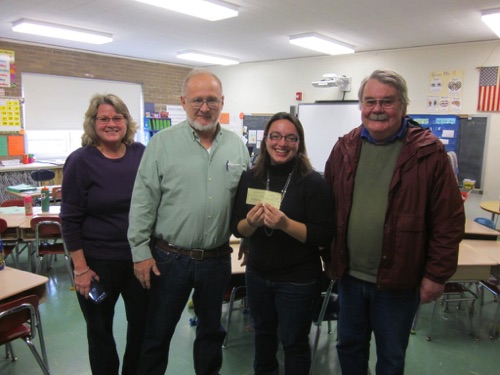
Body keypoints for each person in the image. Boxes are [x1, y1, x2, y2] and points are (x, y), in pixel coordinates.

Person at [324, 69, 465, 375]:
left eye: (387, 102)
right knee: (349, 347)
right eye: (370, 101)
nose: (377, 109)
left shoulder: (429, 153)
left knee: (390, 356)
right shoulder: (344, 148)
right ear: (360, 105)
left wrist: (436, 274)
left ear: (403, 105)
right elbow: (328, 206)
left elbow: (448, 220)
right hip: (350, 276)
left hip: (399, 281)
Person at [128, 68, 250, 375]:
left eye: (211, 100)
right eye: (197, 100)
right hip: (169, 259)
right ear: (184, 102)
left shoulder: (237, 147)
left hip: (217, 258)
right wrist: (140, 252)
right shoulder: (162, 144)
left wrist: (249, 239)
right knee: (157, 334)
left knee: (211, 333)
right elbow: (143, 201)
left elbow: (244, 203)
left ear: (222, 101)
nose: (204, 107)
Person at [230, 112, 335, 375]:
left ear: (299, 143)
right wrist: (252, 224)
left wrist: (285, 224)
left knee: (294, 344)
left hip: (296, 280)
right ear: (265, 140)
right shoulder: (252, 176)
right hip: (257, 274)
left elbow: (322, 235)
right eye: (275, 136)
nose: (282, 143)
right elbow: (237, 227)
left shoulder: (313, 182)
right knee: (263, 339)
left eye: (290, 138)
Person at [60, 93, 148, 375]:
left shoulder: (140, 154)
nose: (111, 124)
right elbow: (70, 218)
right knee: (99, 332)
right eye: (104, 119)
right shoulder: (80, 161)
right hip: (96, 265)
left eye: (117, 118)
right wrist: (81, 268)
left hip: (138, 261)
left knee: (143, 329)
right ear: (93, 123)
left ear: (126, 121)